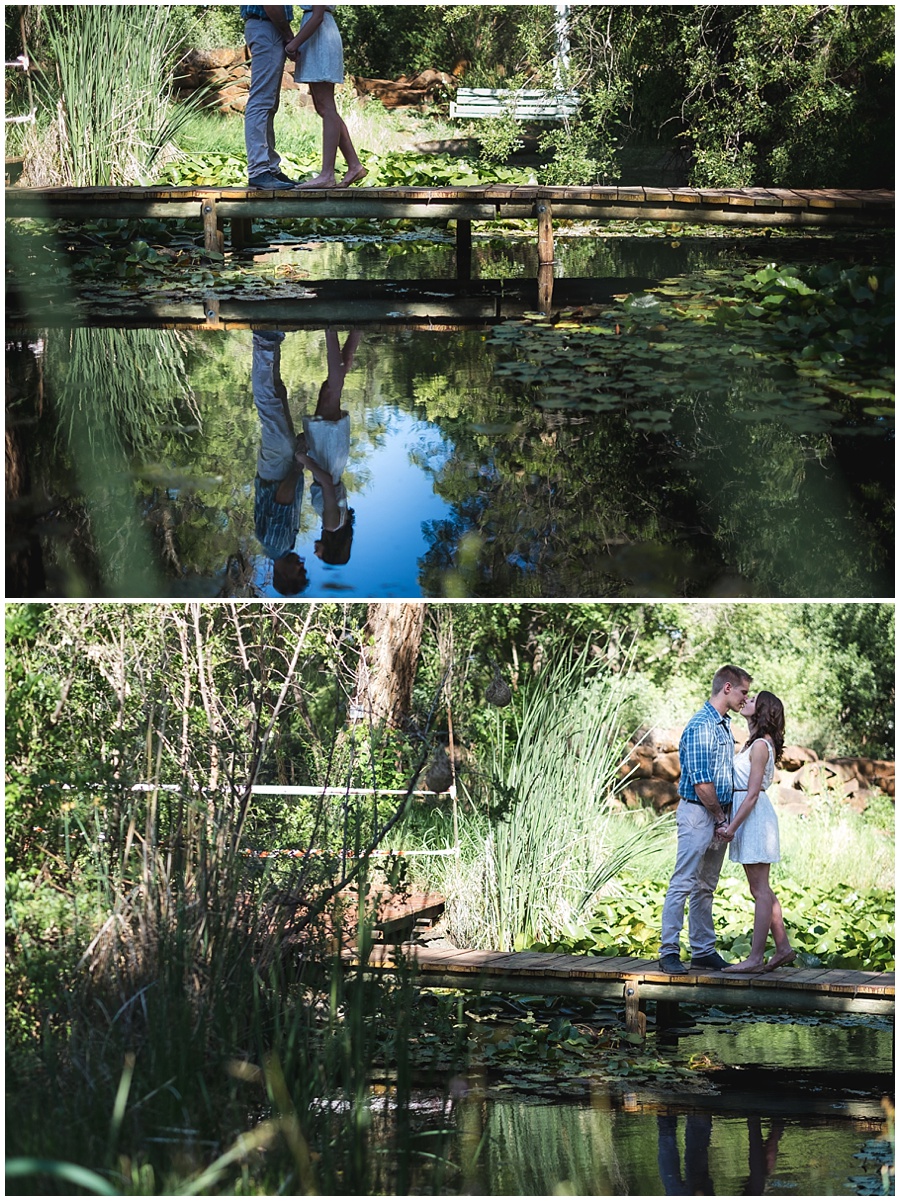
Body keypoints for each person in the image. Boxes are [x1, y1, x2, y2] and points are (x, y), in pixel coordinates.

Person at [658, 664, 753, 975]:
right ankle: (669, 951)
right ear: (727, 688)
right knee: (683, 882)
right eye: (743, 692)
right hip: (700, 813)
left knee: (705, 886)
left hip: (717, 813)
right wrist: (719, 817)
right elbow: (701, 783)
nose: (745, 698)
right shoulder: (701, 725)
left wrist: (723, 818)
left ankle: (702, 951)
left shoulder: (723, 724)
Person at [721, 691, 796, 973]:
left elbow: (752, 795)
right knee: (760, 888)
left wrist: (731, 827)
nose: (746, 700)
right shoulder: (752, 743)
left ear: (762, 711)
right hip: (748, 815)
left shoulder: (761, 746)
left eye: (753, 700)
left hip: (753, 817)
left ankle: (754, 958)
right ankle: (783, 948)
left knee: (760, 889)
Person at [294, 329, 360, 563]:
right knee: (332, 389)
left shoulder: (341, 521)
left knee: (331, 388)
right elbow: (327, 486)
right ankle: (330, 328)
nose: (315, 552)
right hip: (328, 457)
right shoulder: (332, 524)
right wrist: (304, 460)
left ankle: (356, 330)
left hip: (332, 458)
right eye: (320, 555)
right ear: (330, 550)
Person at [251, 330, 309, 595]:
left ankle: (263, 341)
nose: (302, 566)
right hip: (278, 469)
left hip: (276, 471)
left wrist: (298, 463)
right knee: (279, 395)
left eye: (299, 573)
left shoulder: (277, 545)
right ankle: (272, 343)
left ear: (283, 575)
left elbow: (282, 499)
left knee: (269, 405)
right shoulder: (283, 546)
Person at [284, 6, 367, 189]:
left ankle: (327, 174)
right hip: (317, 36)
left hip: (320, 36)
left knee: (327, 108)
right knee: (324, 107)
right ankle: (354, 165)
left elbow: (318, 15)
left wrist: (293, 44)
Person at [241, 5, 302, 189]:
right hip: (267, 26)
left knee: (269, 102)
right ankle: (259, 170)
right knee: (261, 101)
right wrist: (288, 35)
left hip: (268, 26)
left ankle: (270, 167)